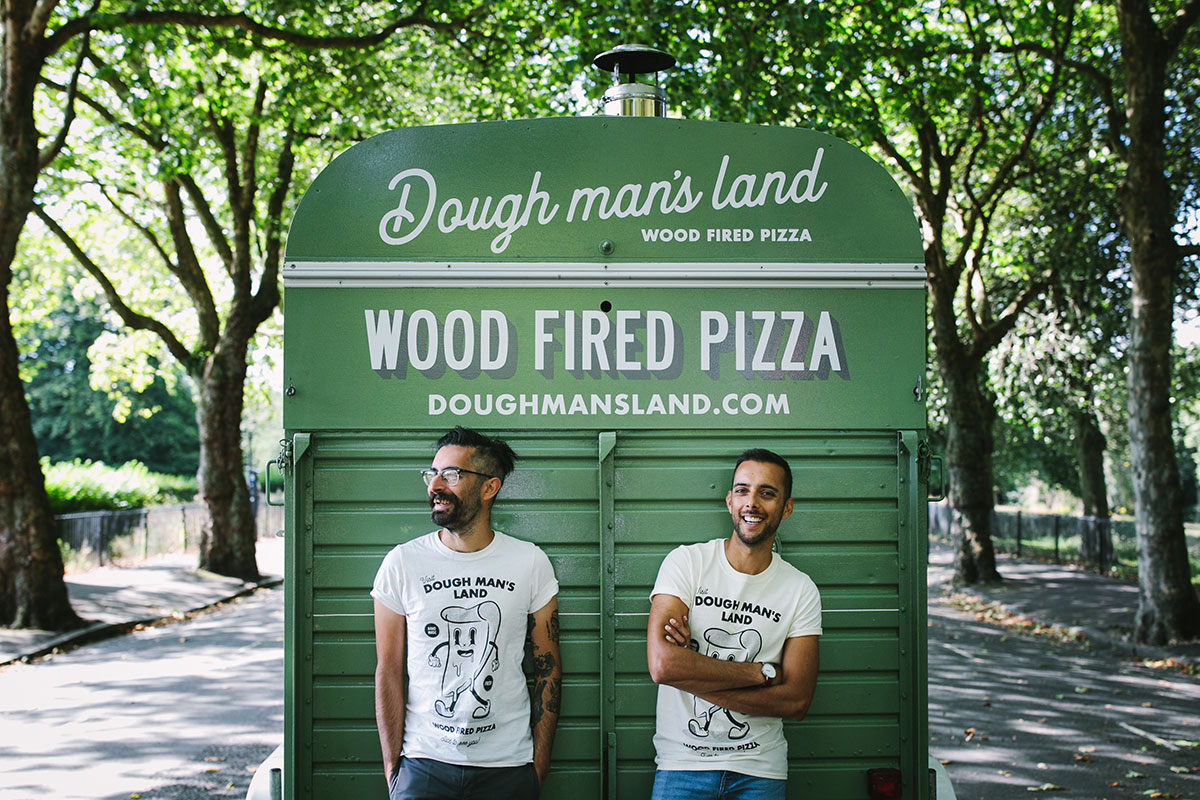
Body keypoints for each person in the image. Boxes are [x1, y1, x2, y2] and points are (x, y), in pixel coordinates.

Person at [373, 427, 561, 800]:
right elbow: (388, 670)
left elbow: (547, 669)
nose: (435, 485)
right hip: (423, 765)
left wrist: (536, 769)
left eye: (451, 475)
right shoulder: (402, 563)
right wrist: (394, 771)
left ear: (489, 487)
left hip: (507, 767)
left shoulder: (530, 562)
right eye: (432, 474)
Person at [646, 448, 822, 800]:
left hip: (760, 771)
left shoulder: (800, 590)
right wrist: (762, 673)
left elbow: (796, 702)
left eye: (767, 493)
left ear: (787, 507)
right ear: (729, 501)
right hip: (682, 765)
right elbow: (663, 665)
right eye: (743, 490)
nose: (751, 503)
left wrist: (692, 674)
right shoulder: (687, 563)